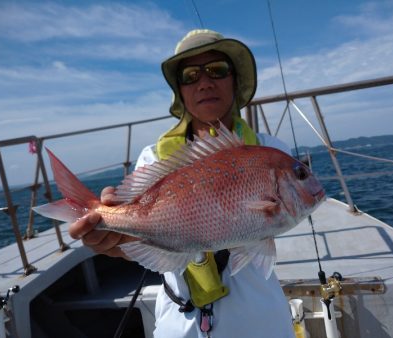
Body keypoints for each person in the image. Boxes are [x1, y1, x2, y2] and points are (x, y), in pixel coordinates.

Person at [69, 29, 295, 338]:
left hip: (261, 320)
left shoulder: (271, 151)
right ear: (180, 90)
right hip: (181, 324)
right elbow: (145, 245)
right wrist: (116, 240)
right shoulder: (153, 158)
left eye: (217, 70)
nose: (204, 82)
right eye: (190, 75)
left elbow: (273, 223)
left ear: (235, 80)